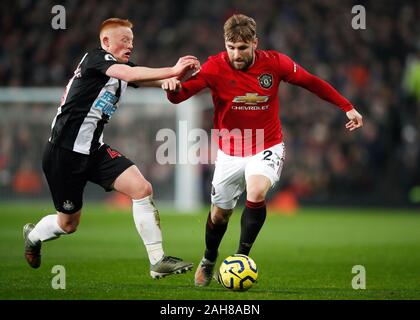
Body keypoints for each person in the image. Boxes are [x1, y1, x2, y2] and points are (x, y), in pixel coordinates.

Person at [162, 14, 363, 286]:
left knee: (256, 191)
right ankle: (209, 258)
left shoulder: (275, 63)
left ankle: (240, 258)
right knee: (219, 214)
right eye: (231, 48)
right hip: (229, 151)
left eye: (242, 48)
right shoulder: (214, 67)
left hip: (267, 144)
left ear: (255, 43)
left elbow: (311, 82)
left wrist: (346, 106)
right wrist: (172, 89)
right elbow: (181, 96)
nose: (236, 54)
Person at [23, 18, 200, 279]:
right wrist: (172, 69)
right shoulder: (95, 59)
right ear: (106, 42)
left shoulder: (121, 69)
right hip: (64, 153)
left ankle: (157, 261)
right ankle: (33, 236)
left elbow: (142, 77)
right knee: (68, 224)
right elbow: (130, 74)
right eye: (124, 40)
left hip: (94, 150)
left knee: (142, 188)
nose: (130, 45)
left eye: (131, 40)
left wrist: (174, 79)